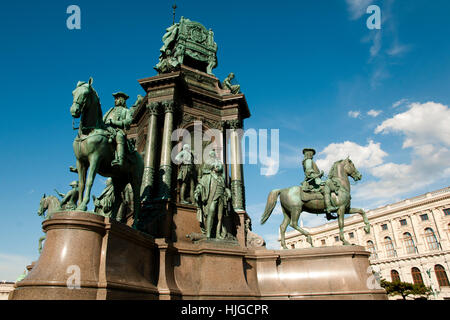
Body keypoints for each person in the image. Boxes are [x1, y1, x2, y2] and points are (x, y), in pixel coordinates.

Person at [194, 163, 231, 239]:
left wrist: (228, 191)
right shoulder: (207, 177)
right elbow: (200, 185)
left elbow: (224, 188)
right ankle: (208, 234)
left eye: (219, 166)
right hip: (212, 198)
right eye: (216, 166)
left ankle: (218, 234)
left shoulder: (221, 178)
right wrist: (197, 192)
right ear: (212, 168)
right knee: (211, 213)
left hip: (221, 198)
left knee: (220, 217)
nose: (218, 167)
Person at [301, 148, 338, 220]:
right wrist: (316, 175)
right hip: (313, 182)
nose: (312, 155)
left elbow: (312, 173)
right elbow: (309, 172)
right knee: (326, 188)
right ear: (308, 154)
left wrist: (320, 175)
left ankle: (328, 213)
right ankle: (329, 208)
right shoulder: (308, 161)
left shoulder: (308, 161)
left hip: (315, 180)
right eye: (311, 153)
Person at [103, 92, 132, 168]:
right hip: (107, 129)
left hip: (118, 130)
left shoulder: (126, 111)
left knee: (119, 136)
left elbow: (128, 122)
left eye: (117, 98)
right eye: (115, 99)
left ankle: (120, 159)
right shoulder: (110, 110)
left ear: (122, 100)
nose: (115, 100)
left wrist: (114, 122)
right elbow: (103, 119)